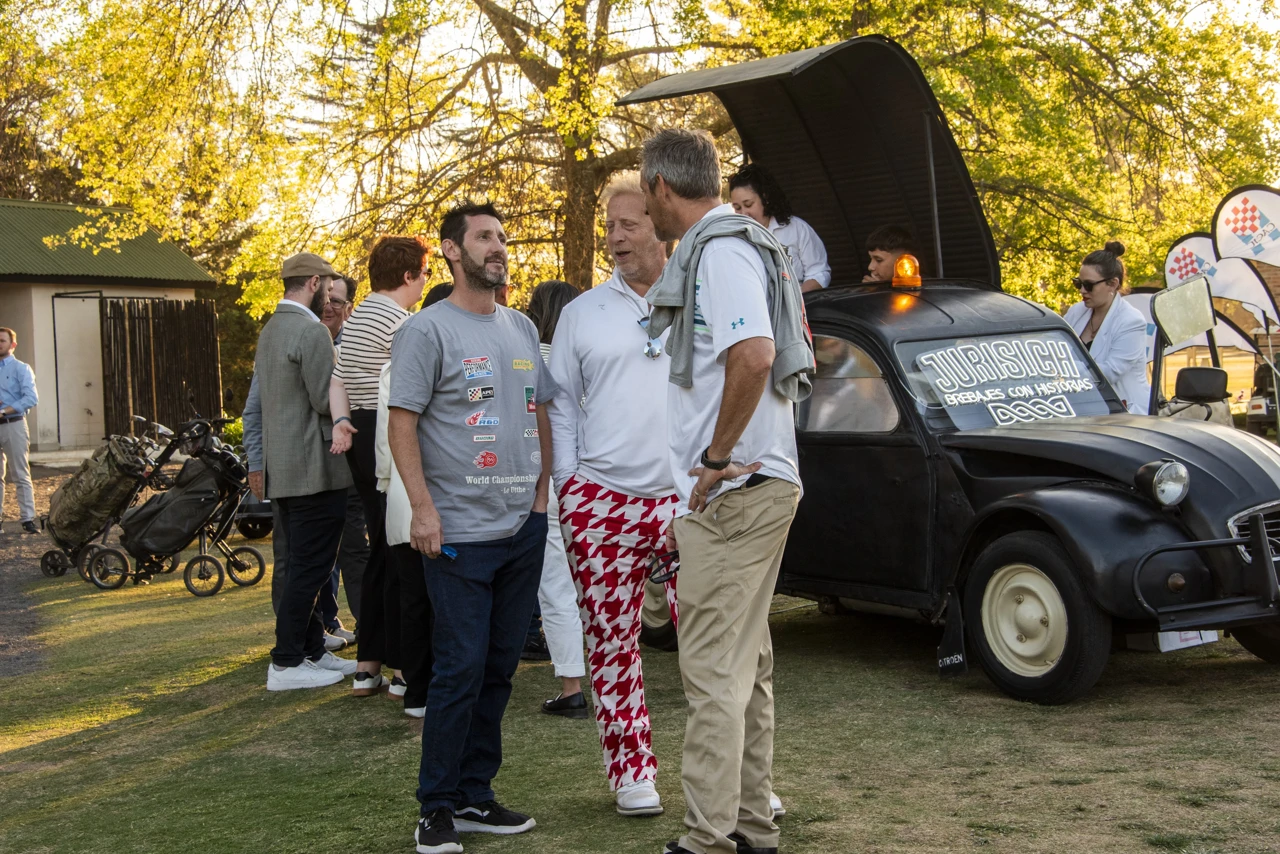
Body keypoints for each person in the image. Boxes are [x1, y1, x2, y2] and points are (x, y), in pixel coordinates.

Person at [641, 129, 811, 854]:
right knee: (749, 667)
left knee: (710, 666)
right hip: (754, 487)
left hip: (736, 491)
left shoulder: (720, 253)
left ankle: (706, 837)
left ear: (660, 188)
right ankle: (750, 827)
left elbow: (754, 355)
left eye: (642, 203)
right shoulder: (729, 248)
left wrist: (712, 457)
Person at [388, 201, 556, 852]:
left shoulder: (519, 328)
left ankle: (476, 796)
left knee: (498, 668)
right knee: (458, 668)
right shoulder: (426, 332)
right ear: (453, 251)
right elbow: (402, 422)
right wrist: (423, 509)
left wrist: (541, 495)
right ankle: (436, 805)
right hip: (458, 532)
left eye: (502, 237)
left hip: (521, 530)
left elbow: (537, 407)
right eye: (484, 237)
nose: (498, 247)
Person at [546, 172, 682, 817]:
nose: (616, 238)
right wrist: (571, 487)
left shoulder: (702, 297)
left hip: (690, 499)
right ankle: (633, 772)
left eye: (629, 224)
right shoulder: (581, 314)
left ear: (661, 223)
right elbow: (561, 407)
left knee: (717, 641)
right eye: (609, 228)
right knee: (611, 641)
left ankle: (739, 775)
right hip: (601, 500)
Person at [255, 252, 359, 691]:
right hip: (316, 470)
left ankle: (312, 651)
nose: (333, 296)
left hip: (285, 470)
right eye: (330, 287)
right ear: (315, 282)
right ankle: (285, 661)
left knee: (302, 564)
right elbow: (324, 397)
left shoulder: (271, 329)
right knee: (311, 570)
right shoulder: (312, 331)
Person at [329, 236, 429, 698]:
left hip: (362, 433)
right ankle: (406, 665)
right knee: (401, 552)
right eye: (424, 273)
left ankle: (369, 661)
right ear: (408, 276)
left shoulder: (356, 320)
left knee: (381, 551)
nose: (426, 282)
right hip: (388, 435)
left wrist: (342, 421)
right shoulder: (399, 322)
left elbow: (337, 377)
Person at [523, 279, 588, 717]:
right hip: (597, 479)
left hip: (548, 482)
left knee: (557, 588)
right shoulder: (589, 358)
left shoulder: (529, 361)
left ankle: (571, 685)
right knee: (600, 585)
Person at [1063, 240, 1150, 414]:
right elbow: (1054, 350)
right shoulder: (1077, 311)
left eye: (1088, 285)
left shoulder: (1131, 321)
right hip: (1083, 409)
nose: (1082, 291)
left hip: (1125, 414)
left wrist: (1063, 368)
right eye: (1078, 283)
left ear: (1113, 284)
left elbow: (1110, 373)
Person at [728, 164, 830, 294]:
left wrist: (796, 301)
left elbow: (819, 272)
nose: (743, 213)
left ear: (765, 198)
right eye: (737, 208)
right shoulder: (736, 238)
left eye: (748, 204)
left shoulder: (797, 229)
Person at [0, 326, 38, 534]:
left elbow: (31, 398)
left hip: (13, 424)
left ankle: (27, 518)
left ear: (12, 345)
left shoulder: (21, 369)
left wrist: (4, 410)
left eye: (2, 341)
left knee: (20, 473)